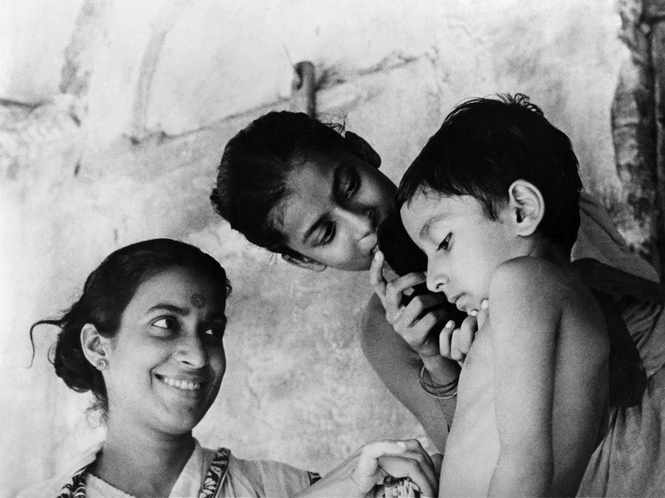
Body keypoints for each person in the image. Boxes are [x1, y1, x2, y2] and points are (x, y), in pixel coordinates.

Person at [210, 111, 664, 454]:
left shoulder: (492, 195)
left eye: (349, 186)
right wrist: (438, 362)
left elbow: (633, 314)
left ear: (365, 152)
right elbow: (468, 458)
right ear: (304, 260)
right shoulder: (386, 332)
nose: (362, 224)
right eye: (327, 234)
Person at [19, 239, 439, 498]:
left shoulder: (284, 487)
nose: (199, 356)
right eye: (165, 325)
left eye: (211, 330)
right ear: (97, 346)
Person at [396, 94, 665, 497]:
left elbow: (526, 460)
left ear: (521, 209)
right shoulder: (539, 300)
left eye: (444, 242)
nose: (433, 278)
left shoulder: (521, 282)